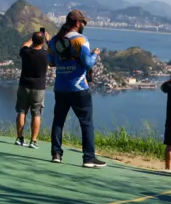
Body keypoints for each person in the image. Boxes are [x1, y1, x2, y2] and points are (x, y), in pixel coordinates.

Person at [49, 9, 106, 168]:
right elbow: (88, 63)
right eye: (83, 22)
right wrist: (95, 54)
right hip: (79, 88)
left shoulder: (54, 40)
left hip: (60, 87)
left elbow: (51, 62)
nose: (84, 25)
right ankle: (88, 158)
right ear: (78, 23)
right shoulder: (81, 39)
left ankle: (56, 153)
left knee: (58, 121)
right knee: (86, 123)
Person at [14, 30, 50, 148]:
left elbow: (24, 46)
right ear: (43, 41)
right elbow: (55, 54)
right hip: (39, 88)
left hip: (24, 85)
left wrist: (31, 39)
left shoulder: (26, 52)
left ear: (33, 40)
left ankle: (19, 138)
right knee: (36, 114)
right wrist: (48, 41)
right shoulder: (46, 54)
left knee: (22, 111)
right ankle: (33, 141)